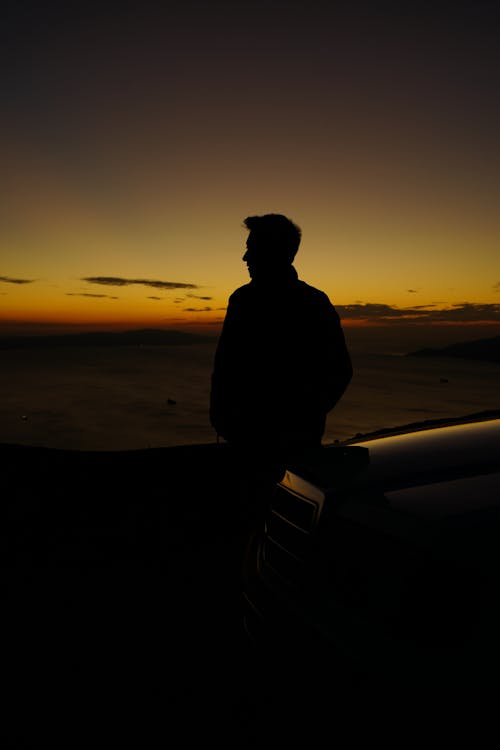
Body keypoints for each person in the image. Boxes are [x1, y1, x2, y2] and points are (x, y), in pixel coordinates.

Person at [210, 213, 353, 522]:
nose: (245, 256)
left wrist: (301, 416)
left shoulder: (311, 304)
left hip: (290, 449)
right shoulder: (243, 300)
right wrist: (223, 417)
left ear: (275, 252)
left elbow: (339, 370)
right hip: (246, 441)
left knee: (278, 521)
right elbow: (226, 366)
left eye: (252, 248)